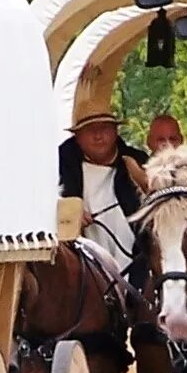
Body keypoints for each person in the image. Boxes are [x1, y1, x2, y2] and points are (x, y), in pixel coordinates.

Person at [57, 100, 148, 263]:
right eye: (89, 130)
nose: (98, 136)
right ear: (77, 137)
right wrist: (70, 213)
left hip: (136, 263)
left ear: (115, 131)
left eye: (104, 128)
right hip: (80, 267)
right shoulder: (59, 167)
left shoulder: (138, 164)